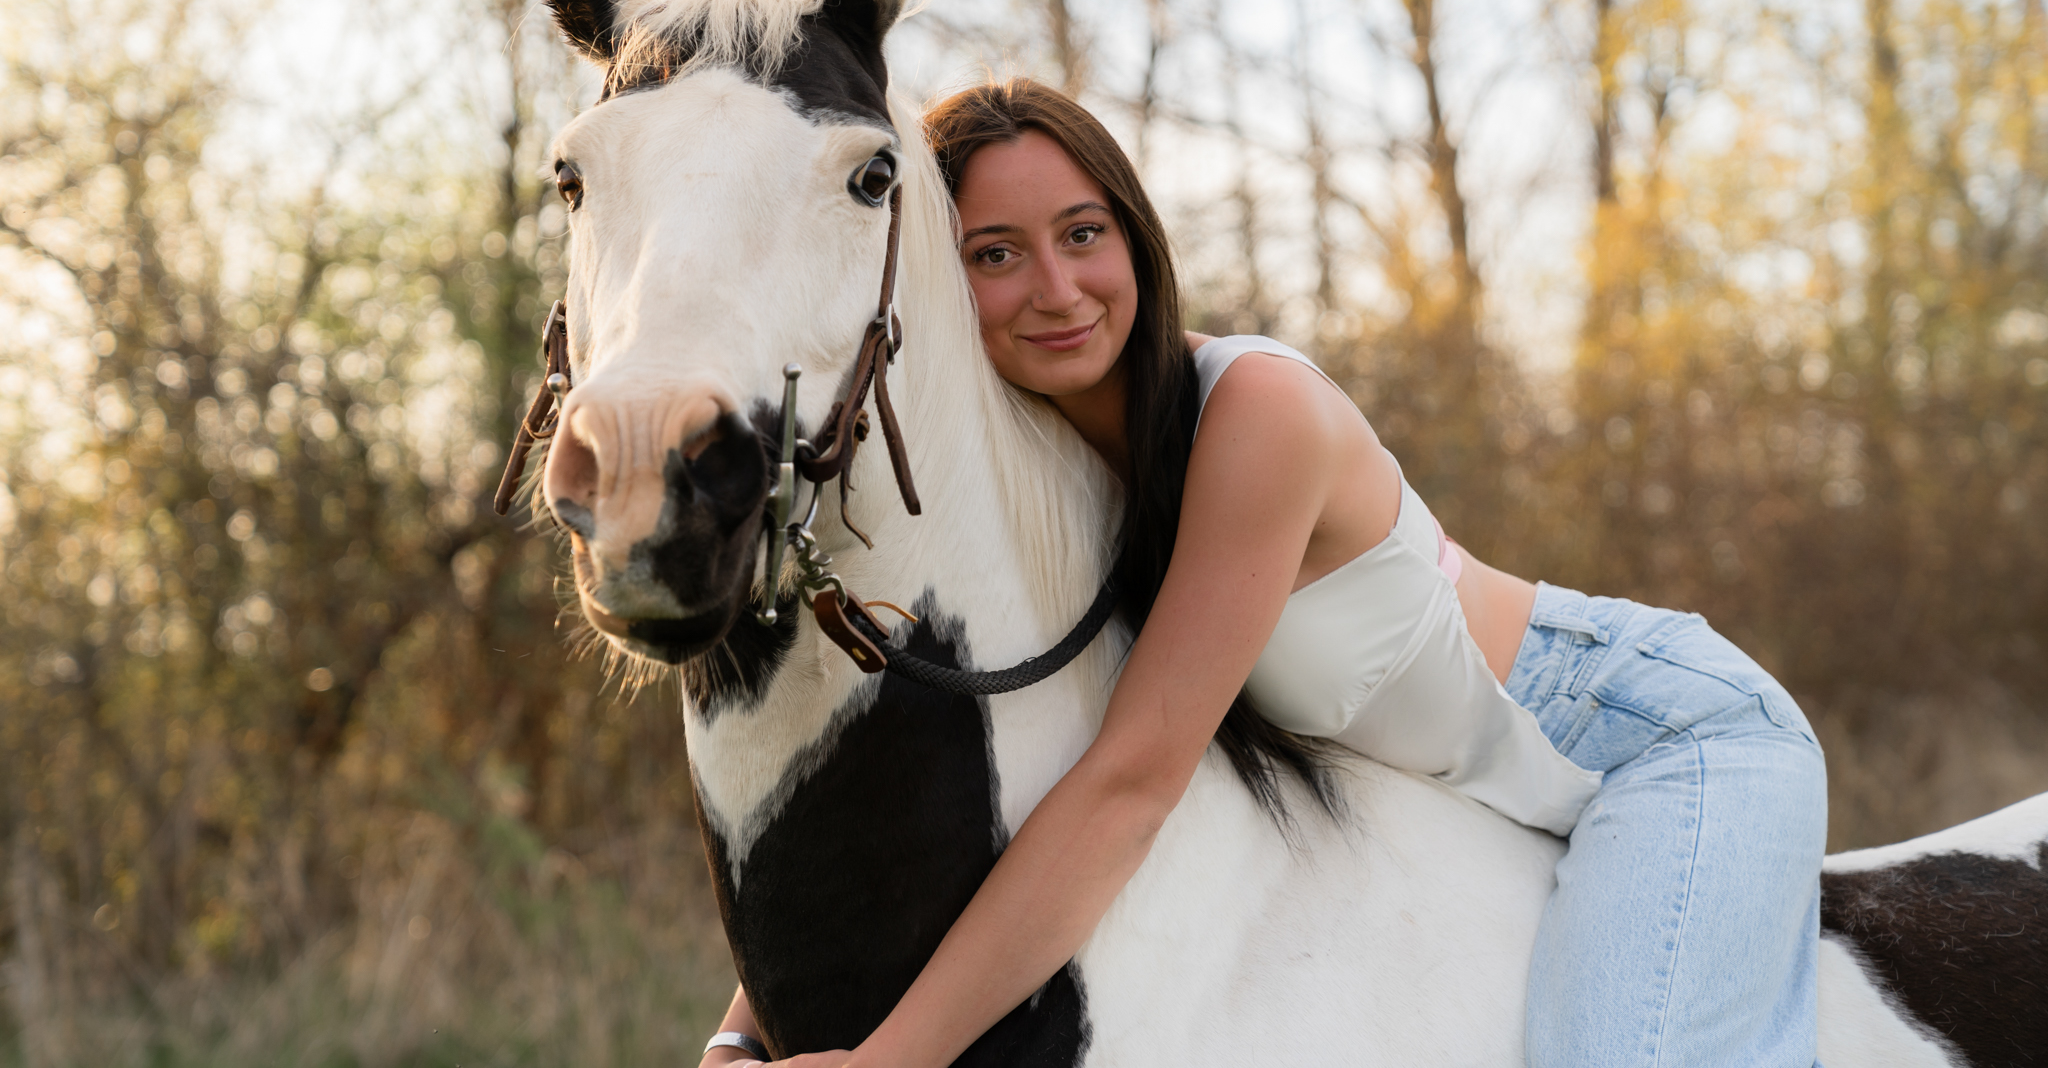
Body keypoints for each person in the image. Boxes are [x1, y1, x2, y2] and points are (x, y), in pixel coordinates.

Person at [701, 78, 1827, 1068]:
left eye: (1083, 233)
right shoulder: (1043, 482)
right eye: (992, 254)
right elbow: (984, 786)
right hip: (1460, 808)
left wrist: (892, 1064)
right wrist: (747, 1029)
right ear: (940, 290)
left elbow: (1128, 784)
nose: (1055, 288)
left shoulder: (1256, 414)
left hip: (1650, 736)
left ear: (1135, 237)